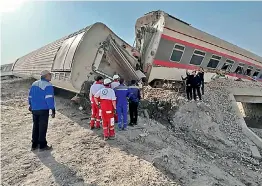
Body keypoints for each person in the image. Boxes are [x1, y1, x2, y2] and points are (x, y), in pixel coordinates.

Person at [28, 70, 55, 151]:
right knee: (42, 127)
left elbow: (30, 96)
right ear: (46, 76)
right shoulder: (48, 85)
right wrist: (53, 109)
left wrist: (30, 105)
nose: (51, 76)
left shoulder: (34, 83)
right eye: (50, 75)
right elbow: (49, 98)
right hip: (43, 109)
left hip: (35, 109)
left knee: (35, 126)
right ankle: (42, 145)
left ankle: (34, 145)